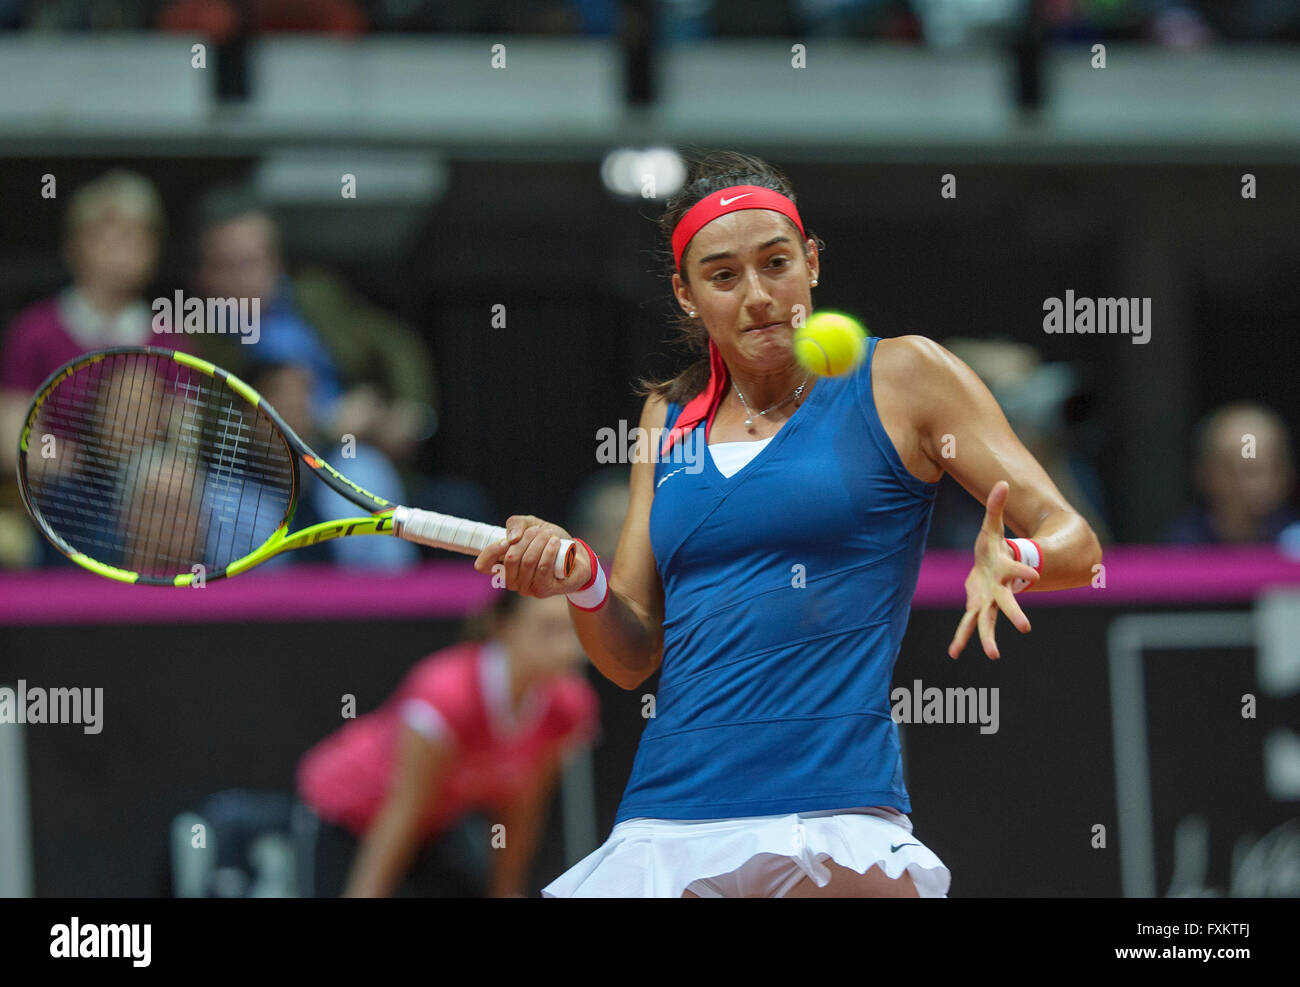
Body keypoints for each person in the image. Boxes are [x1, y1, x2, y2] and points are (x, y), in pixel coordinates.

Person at [473, 150, 1103, 898]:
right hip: (667, 816)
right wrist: (581, 581)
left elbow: (1078, 542)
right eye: (723, 275)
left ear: (812, 261)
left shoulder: (904, 378)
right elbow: (632, 653)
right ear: (686, 294)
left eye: (776, 263)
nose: (759, 296)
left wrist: (1018, 552)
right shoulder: (664, 419)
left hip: (835, 811)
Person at [296, 591, 600, 897]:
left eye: (573, 630)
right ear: (503, 625)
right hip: (348, 815)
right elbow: (402, 810)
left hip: (432, 829)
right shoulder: (446, 695)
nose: (569, 649)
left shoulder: (570, 706)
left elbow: (522, 809)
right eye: (550, 629)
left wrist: (505, 892)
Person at [0, 169, 173, 568]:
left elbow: (184, 439)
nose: (119, 249)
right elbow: (15, 440)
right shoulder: (34, 330)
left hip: (144, 498)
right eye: (105, 234)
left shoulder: (169, 337)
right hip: (57, 496)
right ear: (73, 246)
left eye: (135, 236)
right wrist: (87, 463)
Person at [1165, 401, 1299, 545]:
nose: (1244, 485)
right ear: (1204, 475)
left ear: (1284, 475)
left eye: (1255, 471)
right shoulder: (1182, 547)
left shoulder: (1294, 543)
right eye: (1230, 472)